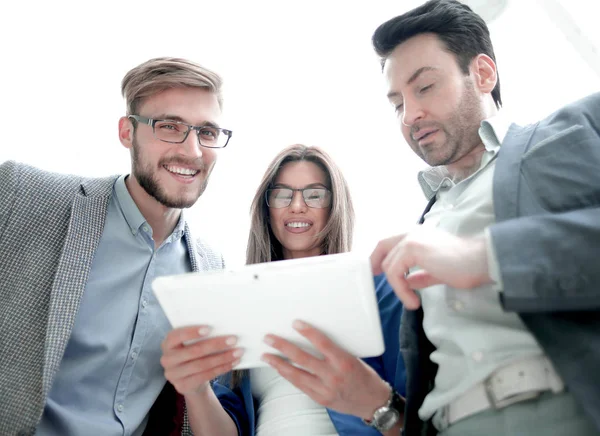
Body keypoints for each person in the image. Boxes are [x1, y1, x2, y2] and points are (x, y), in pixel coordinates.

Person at [368, 1, 600, 435]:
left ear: (483, 74)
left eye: (425, 87)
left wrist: (486, 256)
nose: (410, 115)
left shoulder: (578, 128)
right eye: (397, 103)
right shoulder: (423, 225)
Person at [0, 57, 232, 435]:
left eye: (206, 132)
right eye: (169, 126)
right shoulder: (22, 195)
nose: (192, 151)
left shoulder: (212, 270)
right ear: (127, 132)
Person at [160, 144, 406, 435]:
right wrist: (197, 389)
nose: (297, 205)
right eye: (282, 195)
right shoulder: (238, 306)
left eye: (314, 194)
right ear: (267, 210)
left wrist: (378, 405)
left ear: (335, 206)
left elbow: (417, 420)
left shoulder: (378, 291)